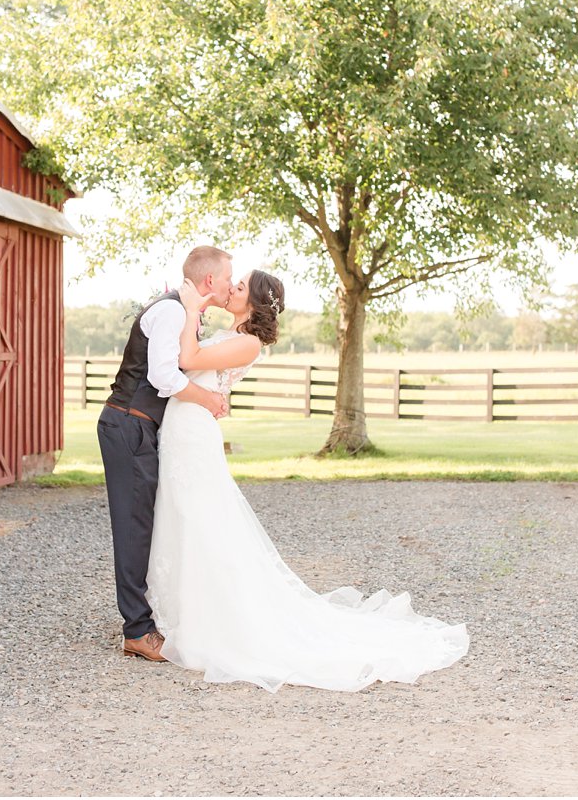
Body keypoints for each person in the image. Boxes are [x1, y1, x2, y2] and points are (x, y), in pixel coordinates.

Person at [144, 269, 470, 692]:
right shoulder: (230, 333)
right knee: (183, 514)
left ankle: (210, 616)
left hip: (194, 431)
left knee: (200, 517)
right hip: (184, 425)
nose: (231, 289)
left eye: (240, 287)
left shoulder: (247, 342)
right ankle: (179, 608)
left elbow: (187, 361)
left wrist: (189, 310)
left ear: (256, 303)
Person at [98, 246, 234, 662]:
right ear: (210, 281)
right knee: (134, 526)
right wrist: (207, 399)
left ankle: (143, 619)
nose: (231, 284)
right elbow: (161, 375)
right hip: (128, 423)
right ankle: (137, 630)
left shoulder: (183, 311)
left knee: (146, 522)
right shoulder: (173, 311)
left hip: (141, 426)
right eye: (229, 277)